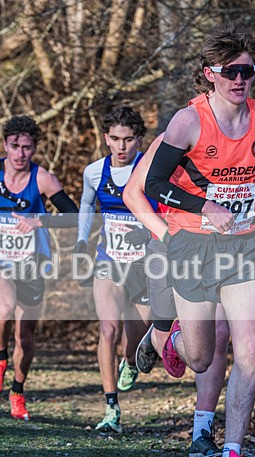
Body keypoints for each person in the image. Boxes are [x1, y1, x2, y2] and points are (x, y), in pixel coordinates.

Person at [143, 23, 255, 457]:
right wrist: (203, 205)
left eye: (248, 71)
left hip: (245, 246)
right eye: (231, 71)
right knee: (200, 356)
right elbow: (154, 185)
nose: (240, 79)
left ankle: (231, 456)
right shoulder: (188, 121)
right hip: (192, 245)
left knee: (248, 346)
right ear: (211, 74)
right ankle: (172, 340)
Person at [0, 114, 79, 421]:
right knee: (4, 308)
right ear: (5, 145)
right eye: (15, 146)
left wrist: (39, 220)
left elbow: (73, 216)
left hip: (32, 265)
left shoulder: (43, 179)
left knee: (26, 337)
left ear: (35, 148)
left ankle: (17, 391)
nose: (20, 154)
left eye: (27, 147)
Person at [123, 134, 229, 457]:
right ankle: (159, 338)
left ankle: (202, 433)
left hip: (223, 250)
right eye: (227, 77)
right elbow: (133, 193)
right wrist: (164, 233)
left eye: (244, 76)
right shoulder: (178, 133)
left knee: (220, 334)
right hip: (173, 247)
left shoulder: (249, 131)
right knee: (176, 338)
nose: (237, 81)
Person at [75, 106, 154, 434]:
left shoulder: (150, 170)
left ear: (139, 140)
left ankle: (130, 362)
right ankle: (111, 408)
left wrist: (147, 231)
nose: (122, 146)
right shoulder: (94, 171)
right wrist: (81, 241)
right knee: (108, 329)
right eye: (115, 139)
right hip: (108, 260)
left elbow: (168, 210)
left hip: (145, 265)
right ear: (106, 138)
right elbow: (87, 204)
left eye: (129, 140)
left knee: (137, 340)